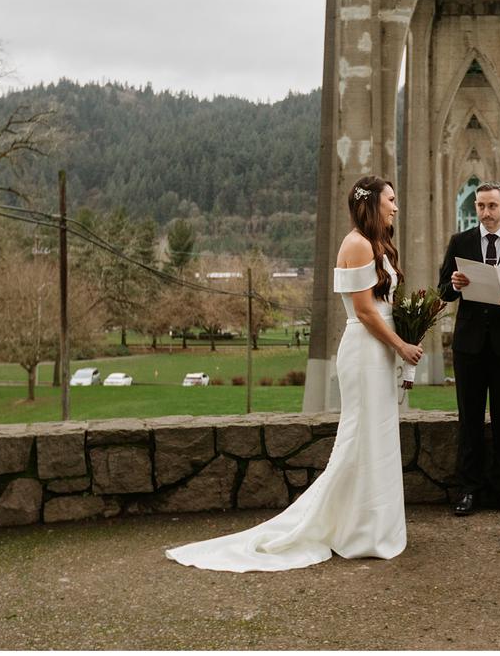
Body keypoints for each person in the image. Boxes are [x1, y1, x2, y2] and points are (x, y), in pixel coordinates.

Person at [166, 176, 423, 572]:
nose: (396, 206)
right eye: (391, 199)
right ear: (372, 203)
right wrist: (401, 345)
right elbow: (365, 311)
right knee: (360, 436)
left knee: (378, 439)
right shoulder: (356, 244)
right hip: (366, 351)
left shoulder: (377, 244)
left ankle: (370, 527)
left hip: (381, 351)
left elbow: (384, 306)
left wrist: (405, 340)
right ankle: (353, 529)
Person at [438, 181, 500, 517]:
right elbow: (443, 290)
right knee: (469, 419)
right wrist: (453, 286)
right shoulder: (460, 242)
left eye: (492, 206)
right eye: (480, 206)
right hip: (468, 347)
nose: (485, 212)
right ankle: (468, 490)